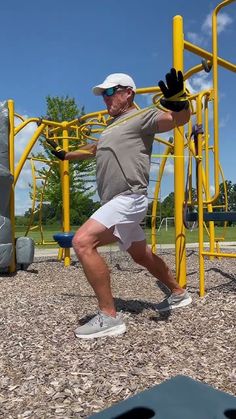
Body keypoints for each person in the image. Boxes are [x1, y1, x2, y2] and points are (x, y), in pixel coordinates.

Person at [47, 68, 192, 340]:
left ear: (128, 93)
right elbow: (91, 150)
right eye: (103, 94)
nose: (106, 98)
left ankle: (109, 317)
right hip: (115, 201)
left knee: (82, 242)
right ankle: (178, 292)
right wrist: (65, 155)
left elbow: (177, 119)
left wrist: (179, 100)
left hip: (129, 196)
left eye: (111, 92)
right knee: (141, 256)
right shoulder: (109, 128)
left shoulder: (142, 115)